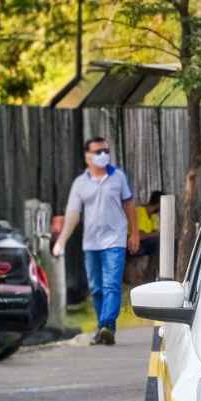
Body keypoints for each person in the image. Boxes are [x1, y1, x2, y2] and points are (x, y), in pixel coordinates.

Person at [52, 137, 140, 346]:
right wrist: (62, 240)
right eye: (98, 151)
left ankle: (107, 325)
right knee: (96, 288)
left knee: (112, 285)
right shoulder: (80, 183)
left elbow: (129, 205)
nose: (103, 155)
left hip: (115, 239)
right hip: (91, 242)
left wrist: (134, 233)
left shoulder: (118, 177)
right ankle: (104, 328)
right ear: (87, 156)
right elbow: (73, 213)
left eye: (105, 151)